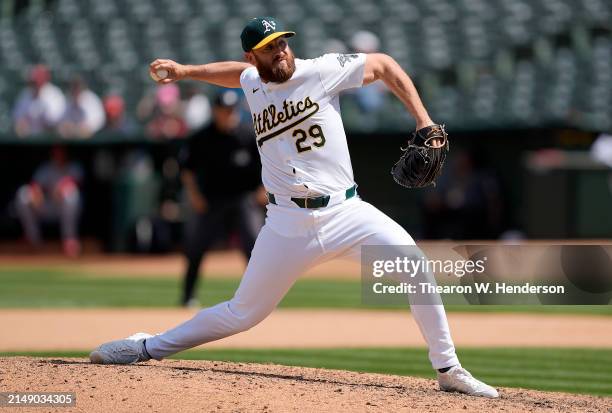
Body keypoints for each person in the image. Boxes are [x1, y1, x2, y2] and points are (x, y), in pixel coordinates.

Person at [90, 17, 499, 398]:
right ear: (255, 56)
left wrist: (423, 122)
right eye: (270, 47)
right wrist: (186, 71)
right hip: (286, 223)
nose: (281, 51)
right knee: (242, 314)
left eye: (283, 42)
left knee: (414, 265)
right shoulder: (252, 79)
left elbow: (385, 65)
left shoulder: (319, 71)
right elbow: (237, 74)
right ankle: (145, 346)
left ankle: (448, 368)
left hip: (346, 213)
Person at [180, 89, 265, 307]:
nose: (229, 114)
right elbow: (187, 170)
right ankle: (188, 296)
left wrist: (263, 189)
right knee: (196, 247)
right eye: (224, 110)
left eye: (232, 110)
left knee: (254, 248)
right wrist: (194, 196)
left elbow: (268, 165)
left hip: (243, 199)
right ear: (215, 111)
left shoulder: (248, 135)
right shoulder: (202, 137)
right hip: (212, 200)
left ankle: (260, 298)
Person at [15, 145, 83, 257]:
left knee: (71, 194)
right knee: (23, 194)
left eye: (61, 152)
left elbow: (74, 181)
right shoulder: (46, 168)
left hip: (63, 208)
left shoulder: (74, 167)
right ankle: (33, 239)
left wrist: (60, 188)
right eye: (56, 152)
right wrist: (36, 193)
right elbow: (35, 185)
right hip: (47, 206)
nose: (58, 155)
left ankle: (69, 239)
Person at [12, 64, 66, 138]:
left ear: (45, 80)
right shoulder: (25, 94)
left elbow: (54, 121)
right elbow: (18, 118)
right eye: (32, 81)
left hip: (50, 139)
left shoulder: (54, 94)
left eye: (36, 81)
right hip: (29, 139)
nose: (34, 84)